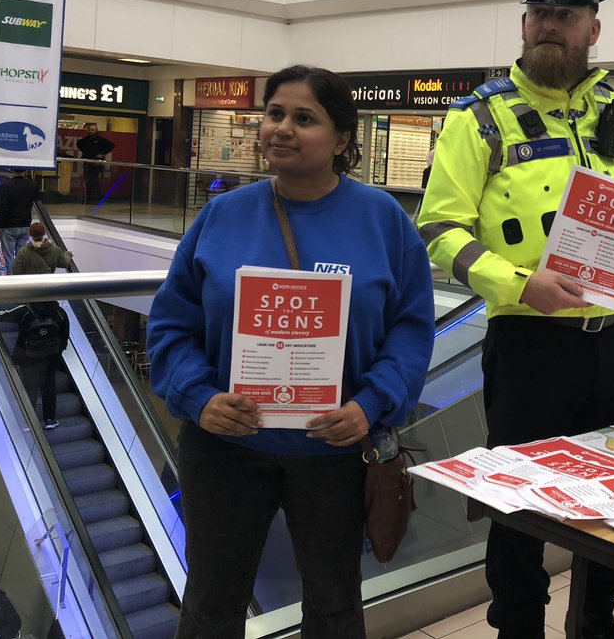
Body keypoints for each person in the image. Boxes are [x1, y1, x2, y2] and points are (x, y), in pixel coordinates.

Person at [417, 0, 614, 639]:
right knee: (518, 504)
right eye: (539, 13)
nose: (550, 26)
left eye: (565, 15)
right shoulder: (479, 119)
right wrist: (517, 283)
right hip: (528, 343)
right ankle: (518, 627)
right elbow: (439, 229)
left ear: (593, 29)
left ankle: (595, 617)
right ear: (523, 23)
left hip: (613, 337)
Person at [146, 65, 435, 639]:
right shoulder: (222, 215)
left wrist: (371, 404)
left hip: (335, 452)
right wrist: (199, 397)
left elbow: (410, 328)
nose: (283, 128)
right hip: (225, 449)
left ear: (342, 138)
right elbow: (173, 324)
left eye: (305, 118)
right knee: (210, 605)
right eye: (275, 114)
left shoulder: (384, 221)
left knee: (334, 605)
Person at [0, 301, 71, 430]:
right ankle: (50, 419)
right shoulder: (60, 312)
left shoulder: (25, 311)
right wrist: (58, 351)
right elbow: (64, 335)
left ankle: (28, 421)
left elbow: (5, 316)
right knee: (48, 387)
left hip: (28, 357)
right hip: (51, 357)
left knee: (29, 388)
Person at [0, 169, 41, 272]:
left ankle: (12, 279)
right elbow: (38, 201)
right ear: (25, 171)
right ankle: (21, 278)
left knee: (9, 258)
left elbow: (2, 209)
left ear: (11, 171)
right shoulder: (32, 185)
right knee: (21, 257)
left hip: (8, 226)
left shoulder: (5, 186)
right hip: (25, 225)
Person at [75, 123, 115, 203]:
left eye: (93, 130)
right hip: (87, 162)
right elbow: (79, 143)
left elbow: (111, 145)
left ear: (96, 130)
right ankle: (89, 197)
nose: (91, 131)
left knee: (95, 180)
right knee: (87, 180)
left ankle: (96, 197)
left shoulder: (100, 140)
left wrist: (102, 153)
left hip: (96, 163)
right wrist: (85, 152)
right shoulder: (86, 140)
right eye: (89, 129)